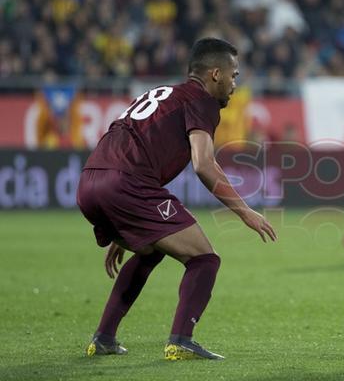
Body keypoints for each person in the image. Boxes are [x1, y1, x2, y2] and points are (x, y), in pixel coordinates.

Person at [77, 37, 277, 361]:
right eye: (234, 75)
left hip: (89, 181)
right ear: (215, 74)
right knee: (204, 258)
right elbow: (204, 164)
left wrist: (125, 221)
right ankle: (181, 340)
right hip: (127, 184)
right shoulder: (202, 101)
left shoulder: (163, 93)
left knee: (150, 250)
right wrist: (245, 212)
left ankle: (103, 337)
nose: (234, 84)